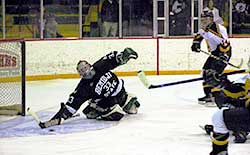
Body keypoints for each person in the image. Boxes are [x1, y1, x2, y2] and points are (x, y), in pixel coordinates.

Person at [43, 47, 140, 127]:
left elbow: (115, 59)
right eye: (81, 71)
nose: (84, 71)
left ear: (90, 66)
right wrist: (58, 117)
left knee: (133, 110)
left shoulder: (100, 66)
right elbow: (71, 105)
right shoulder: (83, 88)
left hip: (121, 92)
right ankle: (97, 108)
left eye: (85, 68)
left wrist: (124, 55)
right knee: (112, 114)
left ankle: (125, 99)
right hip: (107, 102)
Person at [202, 70, 250, 155]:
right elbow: (235, 93)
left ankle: (220, 151)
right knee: (221, 115)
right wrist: (221, 83)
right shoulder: (247, 79)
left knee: (220, 116)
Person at [191, 10, 231, 106]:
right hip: (214, 53)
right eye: (203, 18)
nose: (204, 20)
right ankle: (208, 95)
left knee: (214, 73)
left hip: (223, 52)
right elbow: (198, 37)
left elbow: (225, 42)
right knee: (205, 71)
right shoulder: (203, 29)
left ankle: (217, 97)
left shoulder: (219, 28)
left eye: (207, 18)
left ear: (212, 19)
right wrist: (195, 44)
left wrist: (224, 54)